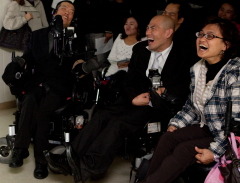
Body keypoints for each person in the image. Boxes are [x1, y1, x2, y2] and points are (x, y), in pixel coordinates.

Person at [46, 15, 192, 182]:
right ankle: (69, 157)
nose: (148, 32)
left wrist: (165, 92)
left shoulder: (183, 55)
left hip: (158, 107)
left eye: (153, 28)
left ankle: (87, 167)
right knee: (101, 115)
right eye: (148, 28)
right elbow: (128, 81)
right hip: (134, 99)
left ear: (168, 33)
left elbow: (185, 87)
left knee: (118, 123)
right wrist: (133, 98)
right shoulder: (140, 49)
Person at [141, 17, 240, 183]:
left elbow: (236, 126)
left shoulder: (235, 74)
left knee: (183, 150)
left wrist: (216, 151)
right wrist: (176, 123)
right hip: (208, 126)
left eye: (210, 36)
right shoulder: (198, 69)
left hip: (229, 137)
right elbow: (192, 106)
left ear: (226, 45)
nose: (202, 39)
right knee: (168, 138)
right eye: (201, 34)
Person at [8, 1, 97, 180]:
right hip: (38, 83)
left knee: (42, 114)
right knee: (29, 100)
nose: (67, 13)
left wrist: (82, 64)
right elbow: (29, 57)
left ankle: (41, 161)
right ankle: (20, 149)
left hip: (60, 86)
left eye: (71, 11)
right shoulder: (38, 35)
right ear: (54, 12)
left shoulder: (76, 39)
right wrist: (20, 63)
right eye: (64, 8)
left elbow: (80, 63)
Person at [74, 0, 112, 69]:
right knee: (87, 57)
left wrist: (109, 29)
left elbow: (109, 9)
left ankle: (100, 84)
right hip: (83, 29)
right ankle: (89, 83)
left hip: (99, 29)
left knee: (100, 60)